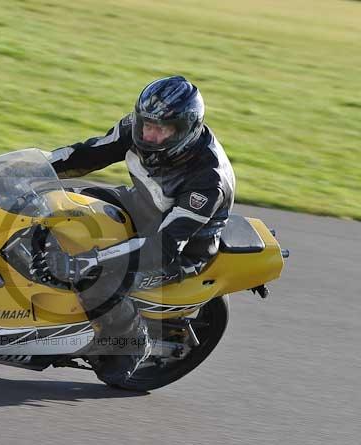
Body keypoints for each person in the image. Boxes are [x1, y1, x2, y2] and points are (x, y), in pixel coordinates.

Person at [34, 76, 236, 384]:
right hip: (140, 204)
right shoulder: (138, 128)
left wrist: (94, 260)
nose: (149, 135)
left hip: (180, 249)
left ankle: (131, 342)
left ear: (185, 130)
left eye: (161, 130)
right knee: (56, 207)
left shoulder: (207, 179)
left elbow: (164, 245)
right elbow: (90, 154)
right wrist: (38, 167)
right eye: (147, 125)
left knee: (97, 275)